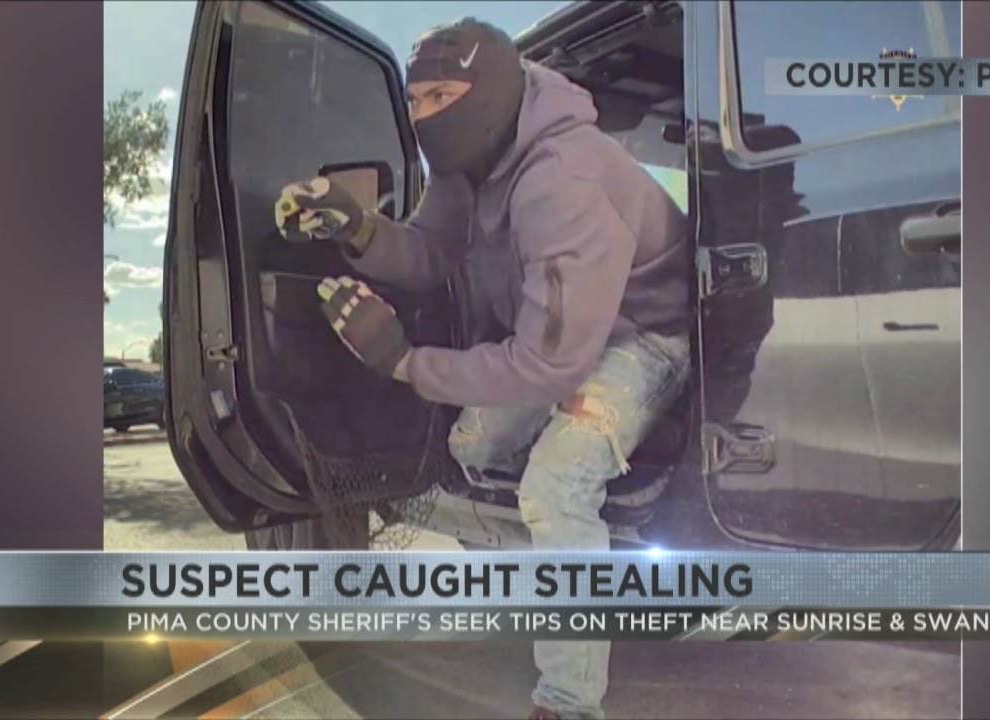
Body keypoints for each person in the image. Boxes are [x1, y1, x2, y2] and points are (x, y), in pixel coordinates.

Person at [274, 18, 690, 720]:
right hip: (562, 342)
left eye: (442, 95)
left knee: (555, 485)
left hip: (645, 337)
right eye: (414, 103)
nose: (424, 116)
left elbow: (549, 364)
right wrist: (361, 230)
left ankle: (568, 698)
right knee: (470, 446)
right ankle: (550, 585)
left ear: (491, 92)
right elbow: (434, 254)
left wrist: (404, 361)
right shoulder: (471, 166)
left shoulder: (563, 174)